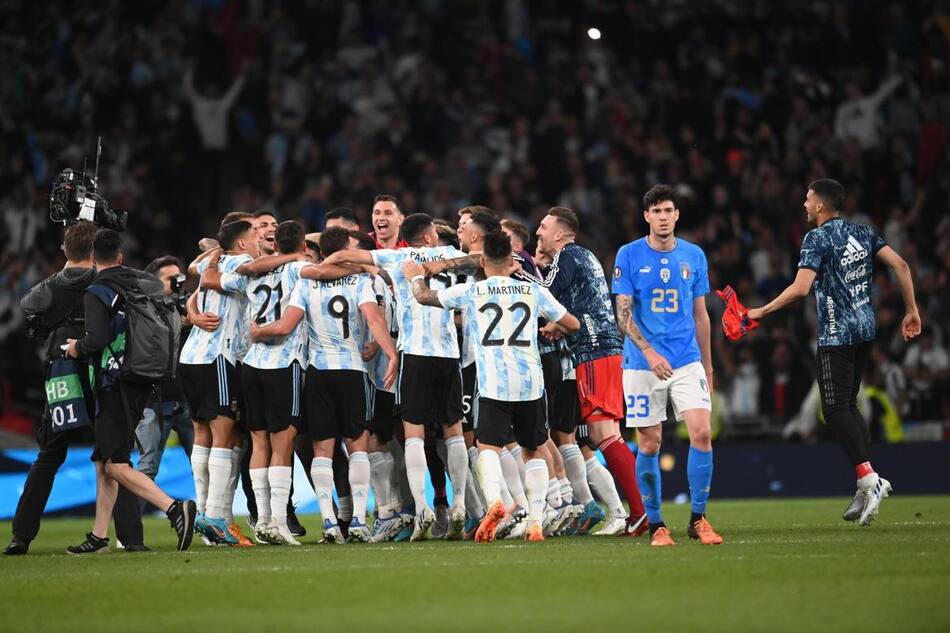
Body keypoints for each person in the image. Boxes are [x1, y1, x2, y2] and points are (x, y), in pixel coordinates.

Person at [747, 179, 921, 526]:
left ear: (821, 206)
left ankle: (870, 480)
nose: (804, 204)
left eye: (808, 199)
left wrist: (760, 312)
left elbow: (800, 289)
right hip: (866, 331)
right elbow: (901, 266)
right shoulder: (863, 231)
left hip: (837, 334)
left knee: (834, 408)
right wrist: (912, 310)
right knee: (849, 403)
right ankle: (864, 481)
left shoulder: (817, 238)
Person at [402, 229, 581, 542]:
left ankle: (497, 503)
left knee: (487, 448)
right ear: (512, 260)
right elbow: (573, 323)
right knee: (533, 449)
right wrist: (552, 325)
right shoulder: (532, 292)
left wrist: (416, 277)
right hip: (530, 383)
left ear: (482, 261)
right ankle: (537, 521)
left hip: (494, 385)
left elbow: (424, 297)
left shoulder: (474, 291)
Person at [322, 213, 470, 541]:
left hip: (414, 355)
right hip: (448, 355)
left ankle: (422, 509)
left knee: (414, 435)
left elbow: (348, 255)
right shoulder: (451, 256)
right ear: (431, 236)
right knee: (453, 432)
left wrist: (325, 263)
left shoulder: (398, 256)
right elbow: (482, 259)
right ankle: (459, 505)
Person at [4, 221, 144, 555]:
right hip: (102, 368)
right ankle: (132, 538)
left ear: (66, 250)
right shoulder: (106, 280)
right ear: (97, 252)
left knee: (50, 453)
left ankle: (21, 536)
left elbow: (28, 305)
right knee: (115, 452)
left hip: (63, 369)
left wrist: (62, 272)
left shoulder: (55, 283)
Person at [252, 227, 398, 543]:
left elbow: (287, 325)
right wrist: (391, 353)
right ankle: (358, 520)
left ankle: (330, 524)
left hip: (318, 373)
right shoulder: (361, 282)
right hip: (352, 371)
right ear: (345, 249)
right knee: (357, 444)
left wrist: (257, 332)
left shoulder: (306, 284)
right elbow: (374, 320)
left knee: (323, 449)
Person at [63, 228, 196, 554]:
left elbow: (96, 339)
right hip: (144, 378)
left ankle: (174, 508)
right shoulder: (142, 282)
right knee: (105, 460)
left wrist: (74, 348)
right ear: (121, 256)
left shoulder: (97, 290)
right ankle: (98, 536)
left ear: (94, 258)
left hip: (114, 382)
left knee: (115, 464)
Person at [612, 184, 722, 547]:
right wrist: (650, 353)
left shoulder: (693, 255)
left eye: (668, 210)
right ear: (646, 216)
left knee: (702, 433)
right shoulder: (628, 255)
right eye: (656, 211)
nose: (662, 217)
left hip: (686, 359)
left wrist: (707, 365)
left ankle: (698, 518)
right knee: (648, 444)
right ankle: (657, 524)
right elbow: (623, 316)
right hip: (642, 365)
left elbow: (701, 316)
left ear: (677, 215)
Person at [534, 206, 647, 536]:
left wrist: (513, 269)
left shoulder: (569, 256)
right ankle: (639, 512)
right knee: (608, 435)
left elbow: (545, 292)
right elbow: (578, 306)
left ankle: (640, 512)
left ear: (560, 233)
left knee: (602, 436)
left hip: (594, 350)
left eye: (543, 226)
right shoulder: (582, 257)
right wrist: (562, 325)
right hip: (605, 348)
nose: (538, 232)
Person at [200, 221, 311, 545]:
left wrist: (214, 254)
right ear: (301, 246)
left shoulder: (252, 273)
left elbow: (208, 278)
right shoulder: (299, 270)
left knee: (259, 443)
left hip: (251, 365)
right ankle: (276, 521)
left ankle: (262, 520)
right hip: (282, 364)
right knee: (283, 445)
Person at [180, 219, 260, 545]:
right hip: (219, 357)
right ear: (241, 243)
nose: (259, 240)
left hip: (190, 357)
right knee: (223, 435)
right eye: (254, 235)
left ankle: (205, 516)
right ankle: (214, 516)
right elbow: (211, 279)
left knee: (202, 433)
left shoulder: (209, 261)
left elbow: (195, 280)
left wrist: (193, 313)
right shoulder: (243, 264)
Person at [134, 256, 195, 489]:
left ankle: (216, 522)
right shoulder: (141, 312)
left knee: (203, 468)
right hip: (152, 401)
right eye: (171, 279)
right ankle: (131, 526)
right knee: (147, 467)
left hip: (186, 400)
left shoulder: (191, 309)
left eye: (179, 278)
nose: (178, 284)